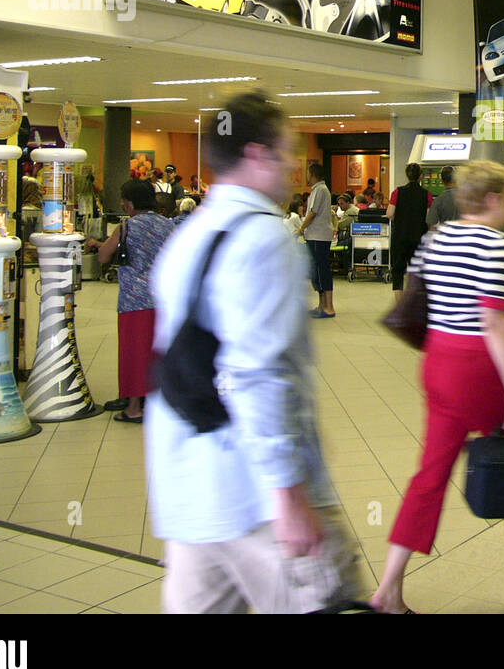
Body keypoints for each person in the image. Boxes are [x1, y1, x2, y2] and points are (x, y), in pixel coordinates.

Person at [147, 93, 353, 613]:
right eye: (285, 152)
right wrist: (288, 494)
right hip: (254, 500)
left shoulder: (189, 235)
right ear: (259, 155)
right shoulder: (266, 237)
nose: (291, 166)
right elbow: (257, 374)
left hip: (188, 490)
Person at [371, 162, 504, 613]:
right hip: (476, 369)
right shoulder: (492, 243)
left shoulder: (437, 238)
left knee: (429, 476)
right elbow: (493, 323)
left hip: (437, 362)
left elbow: (423, 299)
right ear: (492, 200)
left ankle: (388, 588)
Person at [86, 178, 174, 422]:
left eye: (124, 199)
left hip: (134, 300)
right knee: (156, 351)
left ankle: (133, 408)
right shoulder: (167, 225)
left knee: (134, 352)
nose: (122, 204)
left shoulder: (127, 227)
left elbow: (104, 257)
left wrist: (97, 245)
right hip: (164, 298)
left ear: (132, 202)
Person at [387, 162, 432, 303]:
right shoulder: (427, 194)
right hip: (418, 236)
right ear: (420, 176)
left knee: (398, 269)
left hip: (400, 235)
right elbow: (428, 218)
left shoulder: (397, 192)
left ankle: (399, 302)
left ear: (407, 175)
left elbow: (389, 213)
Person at [302, 162, 336, 317]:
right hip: (315, 235)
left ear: (313, 174)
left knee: (322, 270)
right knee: (317, 270)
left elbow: (312, 212)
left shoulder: (320, 189)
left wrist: (301, 228)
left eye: (308, 173)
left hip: (318, 236)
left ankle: (329, 307)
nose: (306, 176)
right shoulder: (318, 189)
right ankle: (322, 305)